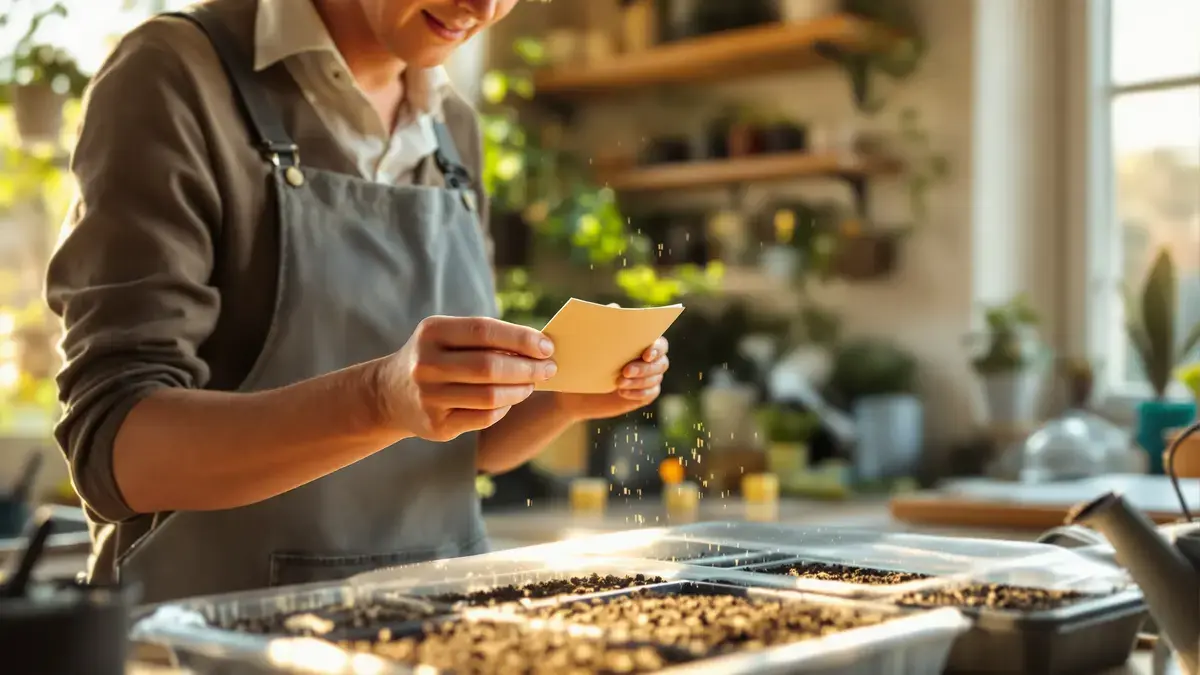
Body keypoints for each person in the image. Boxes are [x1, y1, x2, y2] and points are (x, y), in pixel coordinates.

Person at [45, 0, 670, 604]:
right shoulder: (178, 73)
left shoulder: (452, 129)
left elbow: (455, 447)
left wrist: (558, 399)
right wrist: (377, 398)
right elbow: (116, 450)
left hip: (424, 633)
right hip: (206, 641)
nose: (484, 8)